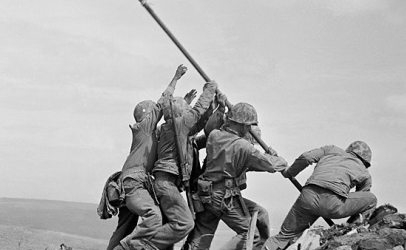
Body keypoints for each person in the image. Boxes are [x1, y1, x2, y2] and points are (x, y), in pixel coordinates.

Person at [184, 102, 288, 250]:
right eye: (249, 126)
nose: (249, 129)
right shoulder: (243, 146)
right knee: (250, 234)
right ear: (244, 125)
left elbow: (248, 164)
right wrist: (279, 159)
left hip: (206, 194)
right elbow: (270, 165)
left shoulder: (214, 136)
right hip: (224, 197)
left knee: (203, 234)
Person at [109, 65, 192, 250]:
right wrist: (176, 78)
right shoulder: (144, 128)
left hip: (134, 183)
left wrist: (184, 103)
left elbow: (174, 124)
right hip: (134, 183)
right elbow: (163, 102)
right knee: (154, 215)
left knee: (125, 228)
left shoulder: (151, 133)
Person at [149, 70, 219, 250]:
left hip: (167, 183)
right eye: (186, 110)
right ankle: (140, 245)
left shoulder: (171, 128)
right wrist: (209, 89)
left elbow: (200, 123)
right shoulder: (178, 125)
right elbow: (197, 112)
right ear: (181, 113)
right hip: (166, 183)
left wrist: (213, 107)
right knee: (185, 223)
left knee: (170, 232)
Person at [263, 141, 377, 250]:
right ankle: (352, 231)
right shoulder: (365, 173)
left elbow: (306, 157)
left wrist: (289, 172)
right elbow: (361, 198)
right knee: (371, 199)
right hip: (333, 204)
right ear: (365, 162)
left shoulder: (331, 150)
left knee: (283, 237)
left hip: (307, 198)